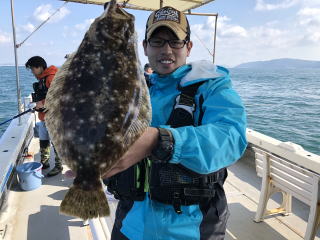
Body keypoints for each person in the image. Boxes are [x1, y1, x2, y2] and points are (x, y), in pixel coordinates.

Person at [104, 6, 247, 240]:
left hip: (192, 229)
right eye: (157, 41)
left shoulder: (212, 87)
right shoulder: (133, 92)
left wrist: (161, 140)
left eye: (175, 41)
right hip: (130, 224)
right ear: (145, 47)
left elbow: (231, 137)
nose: (166, 50)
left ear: (188, 46)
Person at [25, 56, 63, 177]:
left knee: (56, 143)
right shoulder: (41, 78)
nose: (32, 72)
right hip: (43, 116)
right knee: (44, 140)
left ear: (40, 67)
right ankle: (44, 162)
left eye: (32, 69)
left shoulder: (51, 77)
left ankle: (58, 165)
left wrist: (43, 103)